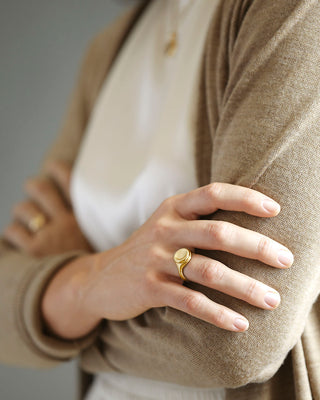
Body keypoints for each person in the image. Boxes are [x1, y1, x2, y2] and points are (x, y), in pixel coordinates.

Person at [1, 0, 320, 399]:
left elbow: (236, 342)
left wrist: (65, 309)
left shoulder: (294, 13)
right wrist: (90, 280)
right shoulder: (110, 48)